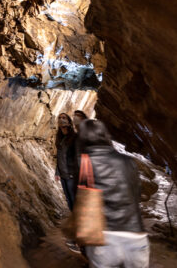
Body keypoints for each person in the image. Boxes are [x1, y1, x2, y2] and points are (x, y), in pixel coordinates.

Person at [78, 119, 149, 268]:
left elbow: (82, 198)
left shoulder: (84, 162)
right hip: (136, 234)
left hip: (105, 237)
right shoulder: (128, 161)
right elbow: (137, 193)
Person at [54, 113, 78, 211]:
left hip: (71, 174)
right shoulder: (59, 138)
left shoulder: (74, 137)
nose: (61, 120)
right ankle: (74, 218)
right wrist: (57, 172)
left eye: (64, 118)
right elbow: (59, 157)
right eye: (59, 118)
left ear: (68, 121)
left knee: (74, 198)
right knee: (68, 199)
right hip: (63, 174)